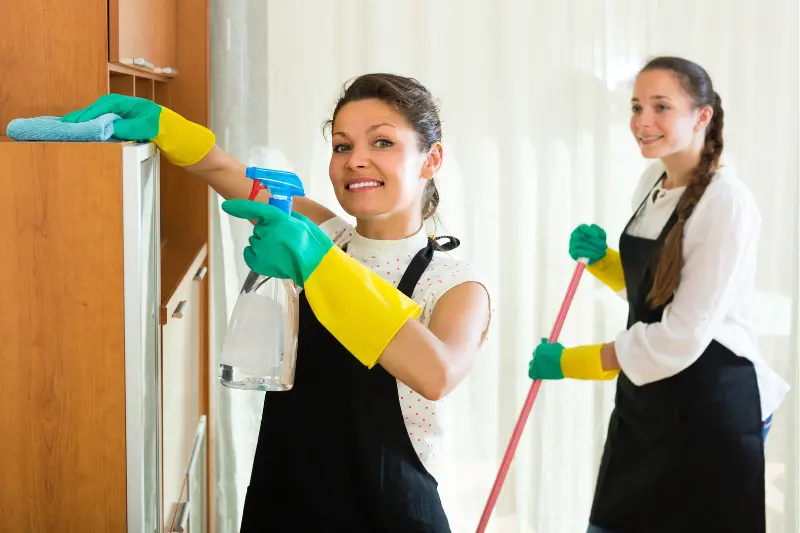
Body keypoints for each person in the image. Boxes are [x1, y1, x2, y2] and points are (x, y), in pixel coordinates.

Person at [62, 73, 491, 532]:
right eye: (342, 146)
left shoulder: (453, 285)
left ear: (432, 159)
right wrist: (166, 126)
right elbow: (224, 172)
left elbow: (437, 373)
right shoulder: (323, 233)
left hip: (388, 516)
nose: (356, 161)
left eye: (382, 142)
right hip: (286, 503)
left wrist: (317, 265)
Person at [527, 56, 789, 533]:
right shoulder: (653, 183)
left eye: (661, 106)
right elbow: (657, 290)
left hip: (708, 404)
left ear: (702, 116)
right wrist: (607, 261)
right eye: (635, 106)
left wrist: (572, 363)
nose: (643, 121)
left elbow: (680, 336)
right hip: (650, 400)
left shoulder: (725, 201)